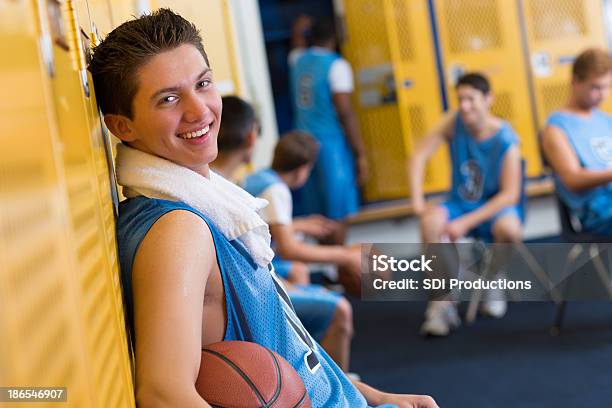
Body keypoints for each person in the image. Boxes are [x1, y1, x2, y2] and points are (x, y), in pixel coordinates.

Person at [89, 8, 437, 408]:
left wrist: (374, 397)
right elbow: (164, 395)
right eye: (168, 98)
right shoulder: (179, 231)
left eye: (203, 84)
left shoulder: (209, 207)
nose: (199, 110)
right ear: (122, 126)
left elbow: (292, 349)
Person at [212, 96, 354, 371]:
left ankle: (307, 362)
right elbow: (287, 248)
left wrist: (298, 225)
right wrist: (345, 256)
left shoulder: (239, 182)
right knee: (340, 309)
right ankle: (335, 384)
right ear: (252, 138)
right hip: (246, 295)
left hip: (241, 287)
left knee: (299, 273)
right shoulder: (269, 189)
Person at [409, 73, 523, 336]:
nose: (464, 106)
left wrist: (465, 223)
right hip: (460, 203)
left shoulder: (507, 140)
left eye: (471, 99)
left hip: (495, 206)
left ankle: (493, 277)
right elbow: (418, 156)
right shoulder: (454, 122)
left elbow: (510, 195)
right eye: (460, 99)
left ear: (488, 99)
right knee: (430, 221)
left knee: (510, 230)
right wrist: (417, 203)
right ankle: (442, 303)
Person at [289, 17, 368, 243]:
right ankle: (338, 267)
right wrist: (360, 153)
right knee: (337, 211)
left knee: (317, 212)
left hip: (302, 145)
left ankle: (327, 266)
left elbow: (296, 44)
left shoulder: (297, 59)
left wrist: (298, 29)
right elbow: (345, 112)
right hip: (329, 145)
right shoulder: (337, 65)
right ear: (335, 37)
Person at [542, 48, 612, 235]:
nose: (603, 94)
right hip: (597, 213)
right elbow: (573, 179)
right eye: (596, 87)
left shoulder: (606, 120)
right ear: (575, 82)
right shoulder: (557, 128)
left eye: (607, 87)